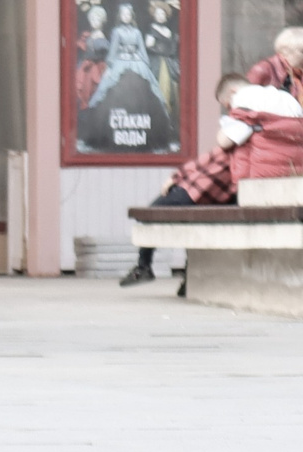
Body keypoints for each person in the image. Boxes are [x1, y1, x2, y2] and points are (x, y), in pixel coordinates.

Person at [124, 72, 254, 287]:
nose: (229, 110)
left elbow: (216, 153)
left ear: (234, 94)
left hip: (203, 189)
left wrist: (177, 177)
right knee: (194, 225)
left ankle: (144, 266)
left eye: (227, 104)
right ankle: (186, 276)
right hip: (221, 192)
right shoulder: (258, 116)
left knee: (152, 212)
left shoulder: (244, 116)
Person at [248, 23, 303, 99]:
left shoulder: (297, 71)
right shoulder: (262, 70)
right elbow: (245, 101)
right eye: (302, 51)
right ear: (286, 51)